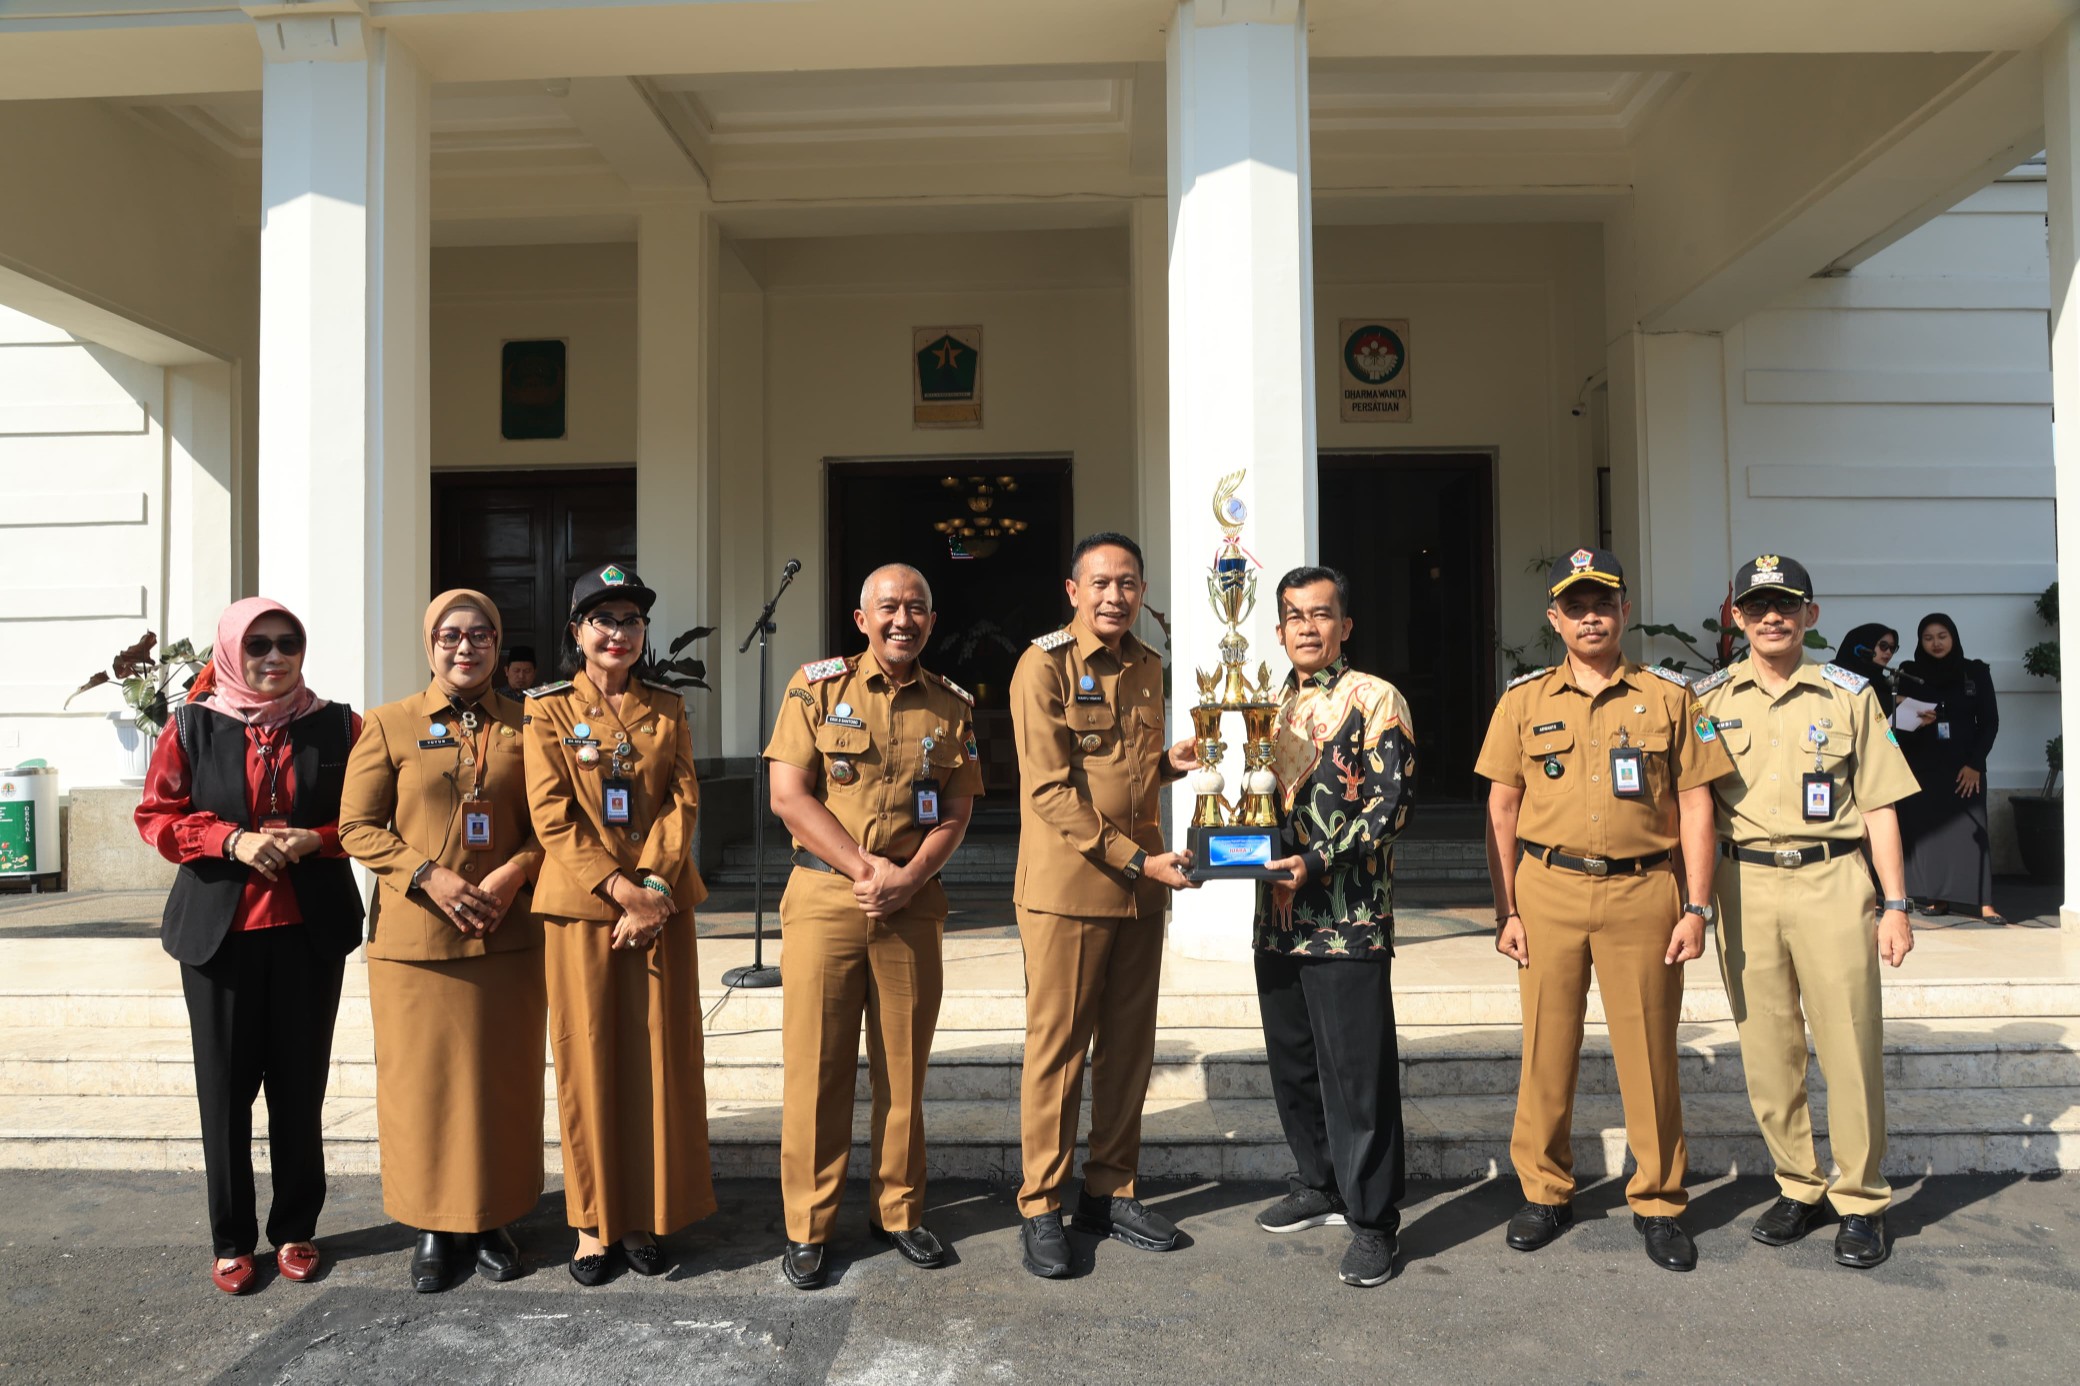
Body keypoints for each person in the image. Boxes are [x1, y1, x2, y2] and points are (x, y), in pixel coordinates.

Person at [1474, 547, 1731, 1274]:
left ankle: (1659, 1200)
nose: (1590, 617)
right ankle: (1545, 1192)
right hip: (1547, 891)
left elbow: (1696, 807)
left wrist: (1697, 908)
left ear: (1624, 611)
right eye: (1575, 606)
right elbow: (1501, 808)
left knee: (1649, 1054)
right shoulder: (1523, 701)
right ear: (1554, 618)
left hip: (1644, 892)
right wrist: (1505, 909)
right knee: (1545, 1049)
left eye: (1603, 604)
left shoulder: (1672, 698)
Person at [1694, 554, 1920, 1268]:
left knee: (1850, 1045)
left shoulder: (1850, 695)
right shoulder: (1708, 702)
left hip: (1832, 882)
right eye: (1759, 606)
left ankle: (1860, 1200)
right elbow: (1692, 809)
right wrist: (1692, 904)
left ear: (1810, 615)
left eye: (1787, 604)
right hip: (1744, 885)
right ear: (1738, 617)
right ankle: (1799, 1184)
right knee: (1767, 1049)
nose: (1773, 617)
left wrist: (1896, 905)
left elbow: (1880, 805)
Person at [763, 564, 983, 1289]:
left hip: (911, 904)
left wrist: (908, 878)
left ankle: (899, 1211)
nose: (902, 619)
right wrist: (866, 869)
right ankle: (808, 1224)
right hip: (827, 897)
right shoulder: (816, 688)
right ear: (862, 620)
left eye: (916, 608)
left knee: (903, 1069)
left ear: (932, 620)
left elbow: (956, 811)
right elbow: (789, 795)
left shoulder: (952, 704)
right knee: (817, 1068)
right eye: (888, 607)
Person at [133, 599, 363, 1295]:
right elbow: (157, 815)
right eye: (257, 645)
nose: (274, 657)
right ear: (231, 651)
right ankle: (231, 1238)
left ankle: (295, 1227)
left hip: (308, 934)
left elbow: (371, 817)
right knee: (225, 1092)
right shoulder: (192, 725)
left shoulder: (339, 725)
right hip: (219, 940)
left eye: (288, 642)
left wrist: (315, 840)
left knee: (300, 1087)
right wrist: (228, 840)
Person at [340, 590, 547, 1293]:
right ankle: (432, 1224)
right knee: (421, 1087)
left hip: (506, 934)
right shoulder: (390, 723)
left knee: (501, 1083)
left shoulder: (531, 724)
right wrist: (428, 875)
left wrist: (516, 873)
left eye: (481, 634)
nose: (466, 647)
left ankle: (493, 1218)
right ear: (429, 644)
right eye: (451, 635)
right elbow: (356, 826)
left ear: (498, 645)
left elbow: (556, 823)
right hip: (417, 940)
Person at [1009, 531, 1200, 1279]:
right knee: (1059, 1052)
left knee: (1127, 1049)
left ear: (1143, 592)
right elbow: (1050, 789)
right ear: (1073, 591)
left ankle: (1109, 1190)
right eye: (1100, 583)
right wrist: (1139, 860)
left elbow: (1126, 768)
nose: (1115, 596)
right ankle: (1041, 1204)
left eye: (1128, 583)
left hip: (1142, 891)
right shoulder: (1043, 665)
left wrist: (1169, 766)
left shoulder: (1149, 665)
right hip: (1070, 893)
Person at [522, 563, 715, 1284]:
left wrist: (653, 887)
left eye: (631, 621)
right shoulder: (546, 710)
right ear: (577, 632)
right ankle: (592, 1221)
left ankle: (643, 1214)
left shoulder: (667, 707)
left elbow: (682, 800)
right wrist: (620, 890)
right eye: (603, 620)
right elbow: (551, 813)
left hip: (661, 906)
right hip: (584, 910)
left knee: (659, 1059)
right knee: (590, 1062)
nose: (618, 633)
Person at [1252, 566, 1417, 1289]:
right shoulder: (1268, 708)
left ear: (1345, 626)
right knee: (1292, 1063)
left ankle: (1374, 1221)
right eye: (1295, 616)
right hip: (1277, 917)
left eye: (1321, 615)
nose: (1308, 627)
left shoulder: (1375, 698)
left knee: (1357, 1075)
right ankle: (1317, 1182)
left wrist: (1317, 860)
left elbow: (1390, 807)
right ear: (1279, 629)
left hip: (1348, 918)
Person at [1894, 613, 2004, 924]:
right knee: (1931, 833)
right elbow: (1897, 722)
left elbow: (1990, 722)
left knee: (1971, 832)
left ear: (1953, 637)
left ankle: (1985, 904)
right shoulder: (1911, 673)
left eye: (1942, 636)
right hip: (1924, 765)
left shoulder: (1975, 672)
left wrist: (1975, 764)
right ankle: (1937, 897)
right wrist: (1913, 714)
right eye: (1928, 638)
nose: (1936, 643)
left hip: (1965, 766)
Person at [1834, 623, 1900, 722]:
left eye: (1892, 648)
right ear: (1864, 645)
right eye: (1883, 646)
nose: (1888, 652)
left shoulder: (1885, 684)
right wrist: (1894, 700)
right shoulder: (1838, 673)